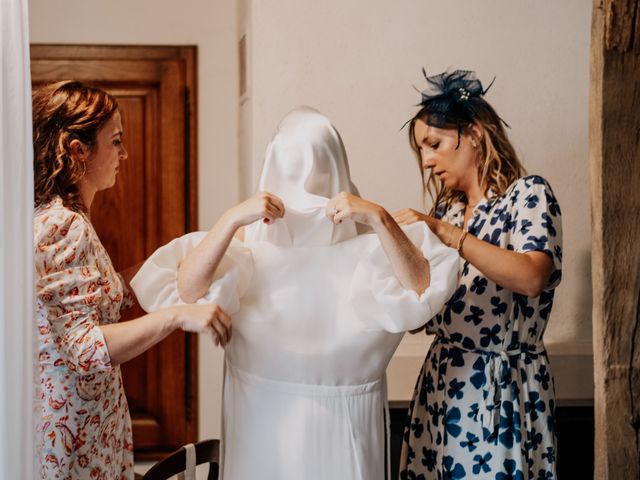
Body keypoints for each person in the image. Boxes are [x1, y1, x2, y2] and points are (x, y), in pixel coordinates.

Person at [131, 106, 459, 480]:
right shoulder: (247, 246)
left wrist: (379, 217)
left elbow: (422, 289)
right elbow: (187, 290)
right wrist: (233, 218)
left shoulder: (370, 245)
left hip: (343, 433)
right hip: (263, 430)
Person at [32, 80, 232, 480]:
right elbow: (83, 347)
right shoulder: (63, 225)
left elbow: (109, 293)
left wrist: (193, 249)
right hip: (73, 437)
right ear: (78, 150)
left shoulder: (67, 219)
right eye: (116, 141)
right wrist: (177, 315)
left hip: (87, 424)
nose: (124, 153)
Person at [395, 70, 563, 480]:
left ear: (472, 134)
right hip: (441, 384)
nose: (427, 160)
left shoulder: (527, 196)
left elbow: (531, 277)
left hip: (502, 389)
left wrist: (448, 236)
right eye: (421, 150)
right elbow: (425, 314)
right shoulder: (446, 211)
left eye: (434, 144)